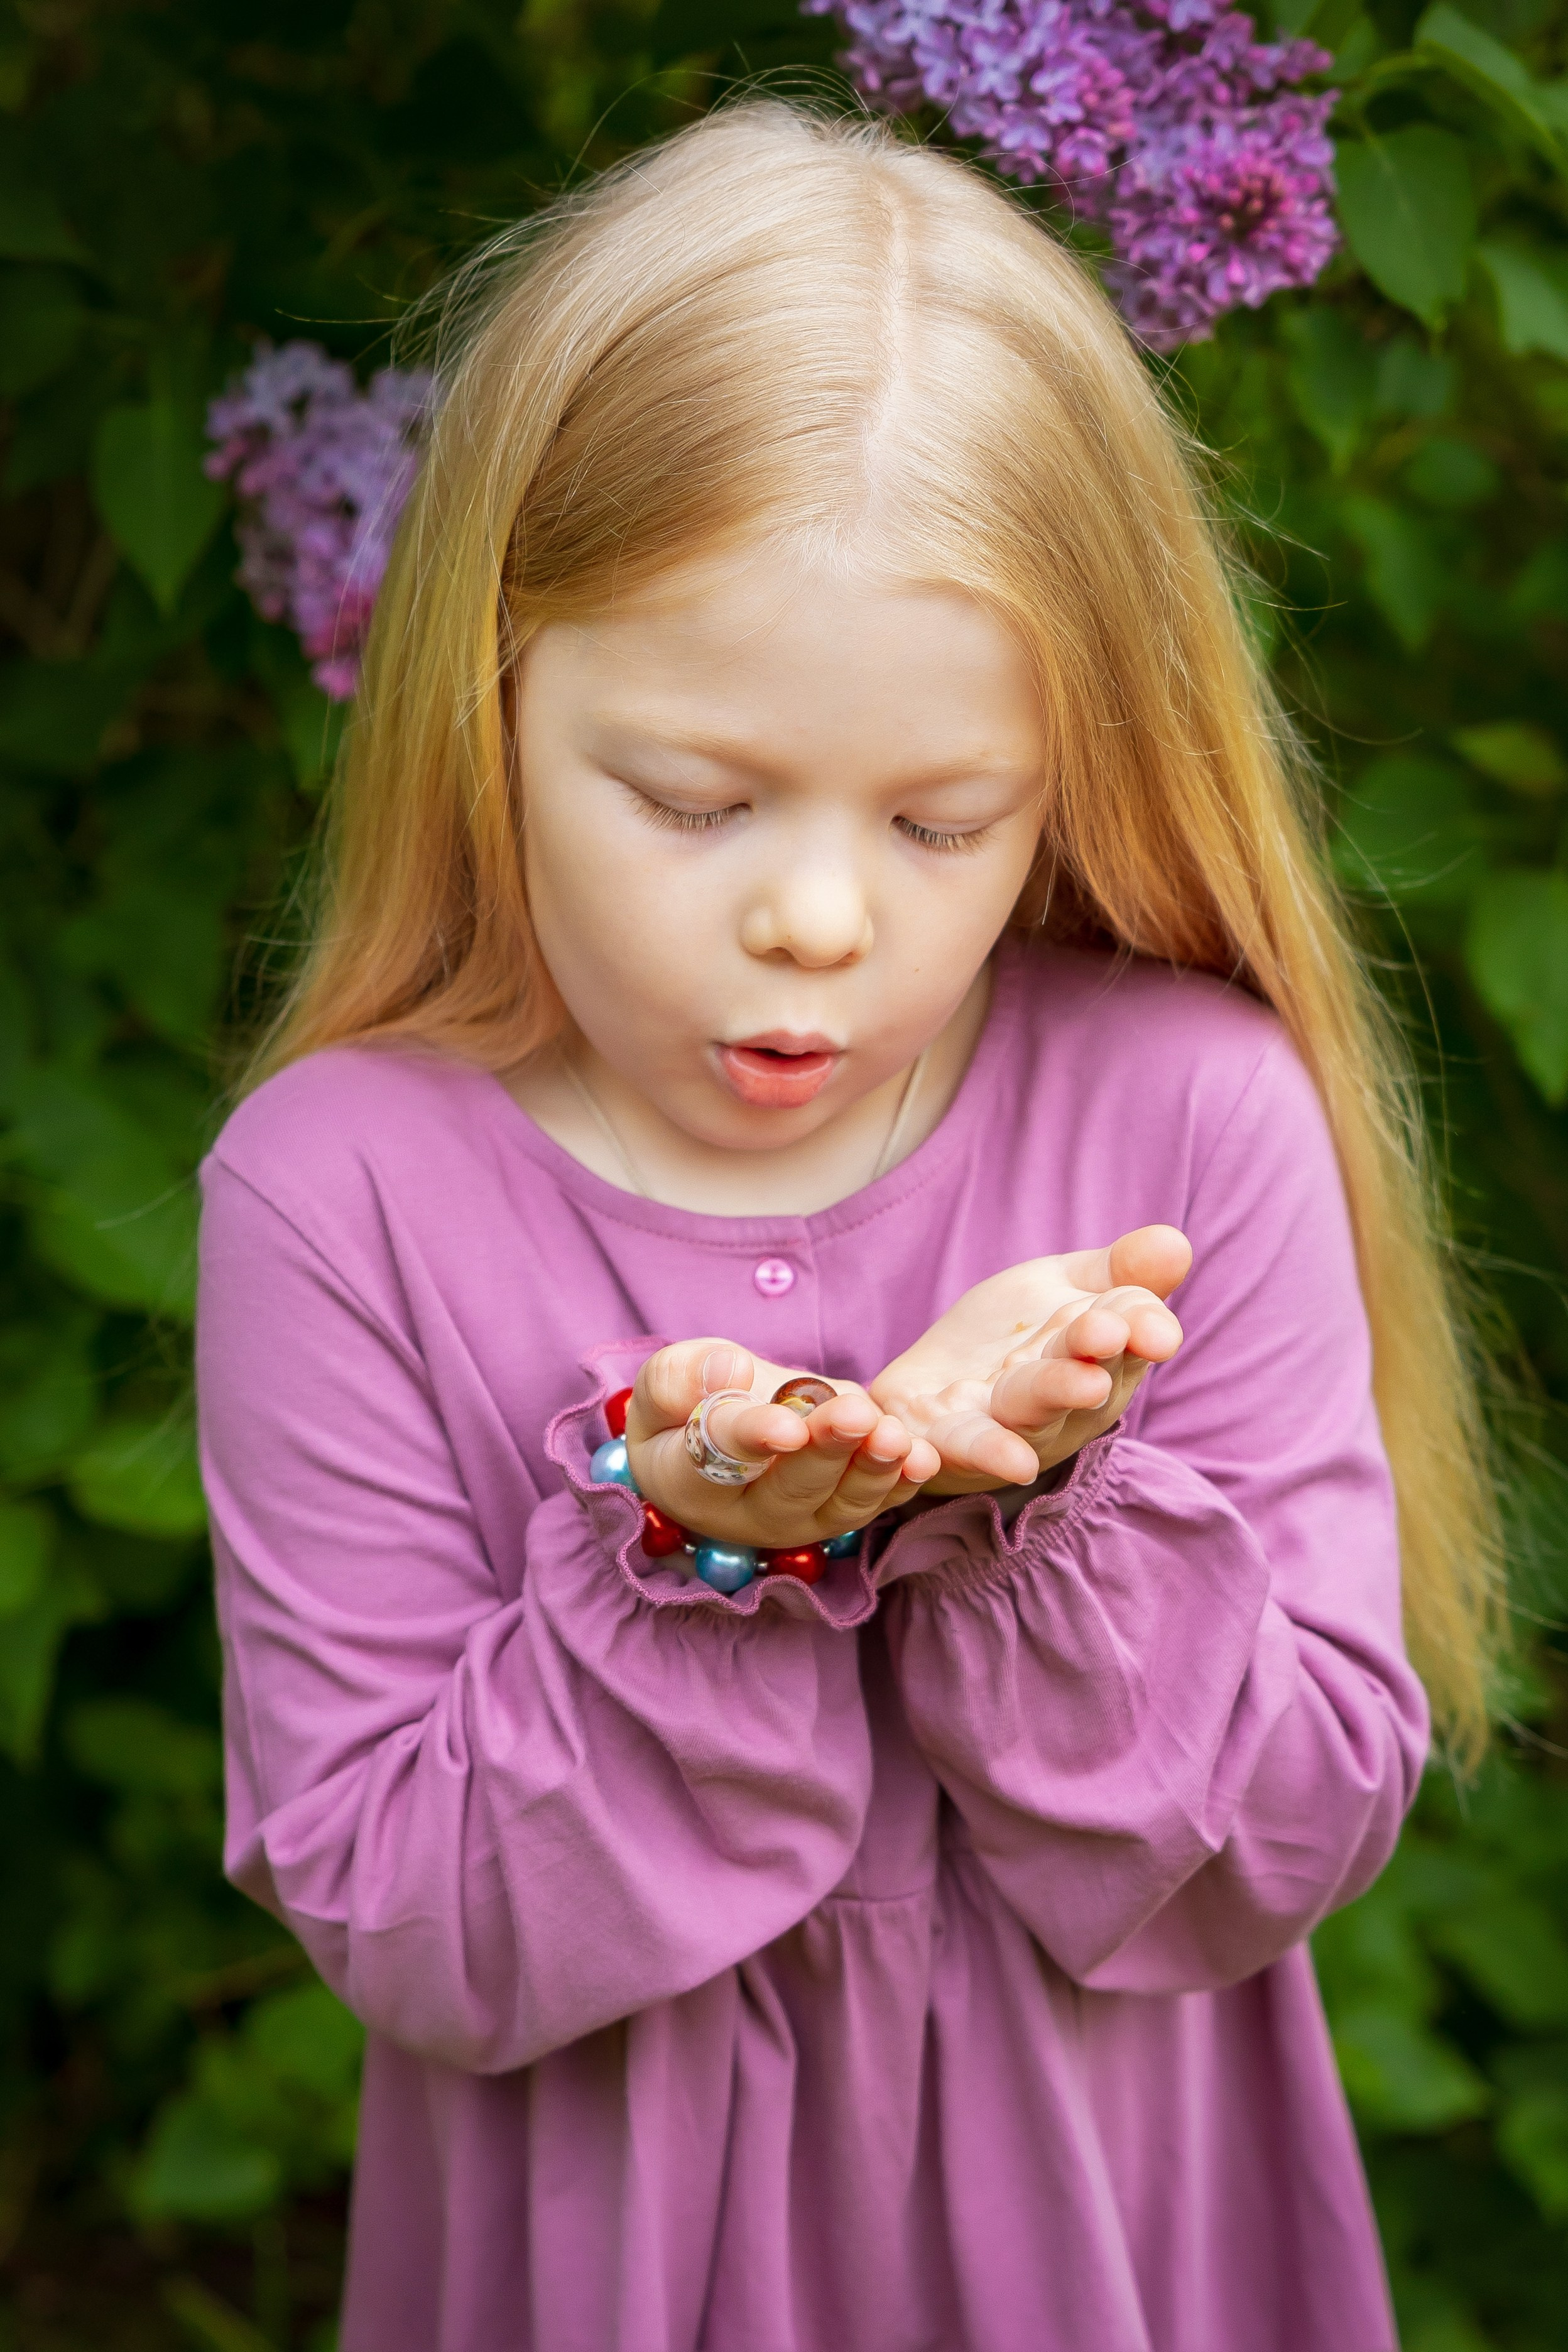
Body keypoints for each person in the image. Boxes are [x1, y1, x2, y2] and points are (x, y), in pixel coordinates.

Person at [195, 101, 1499, 2352]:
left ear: (1075, 772)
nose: (812, 915)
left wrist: (1049, 1507)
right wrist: (698, 1563)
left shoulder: (1191, 1113)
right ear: (486, 699)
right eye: (693, 799)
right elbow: (412, 1926)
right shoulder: (341, 1194)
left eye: (941, 817)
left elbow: (1275, 1849)